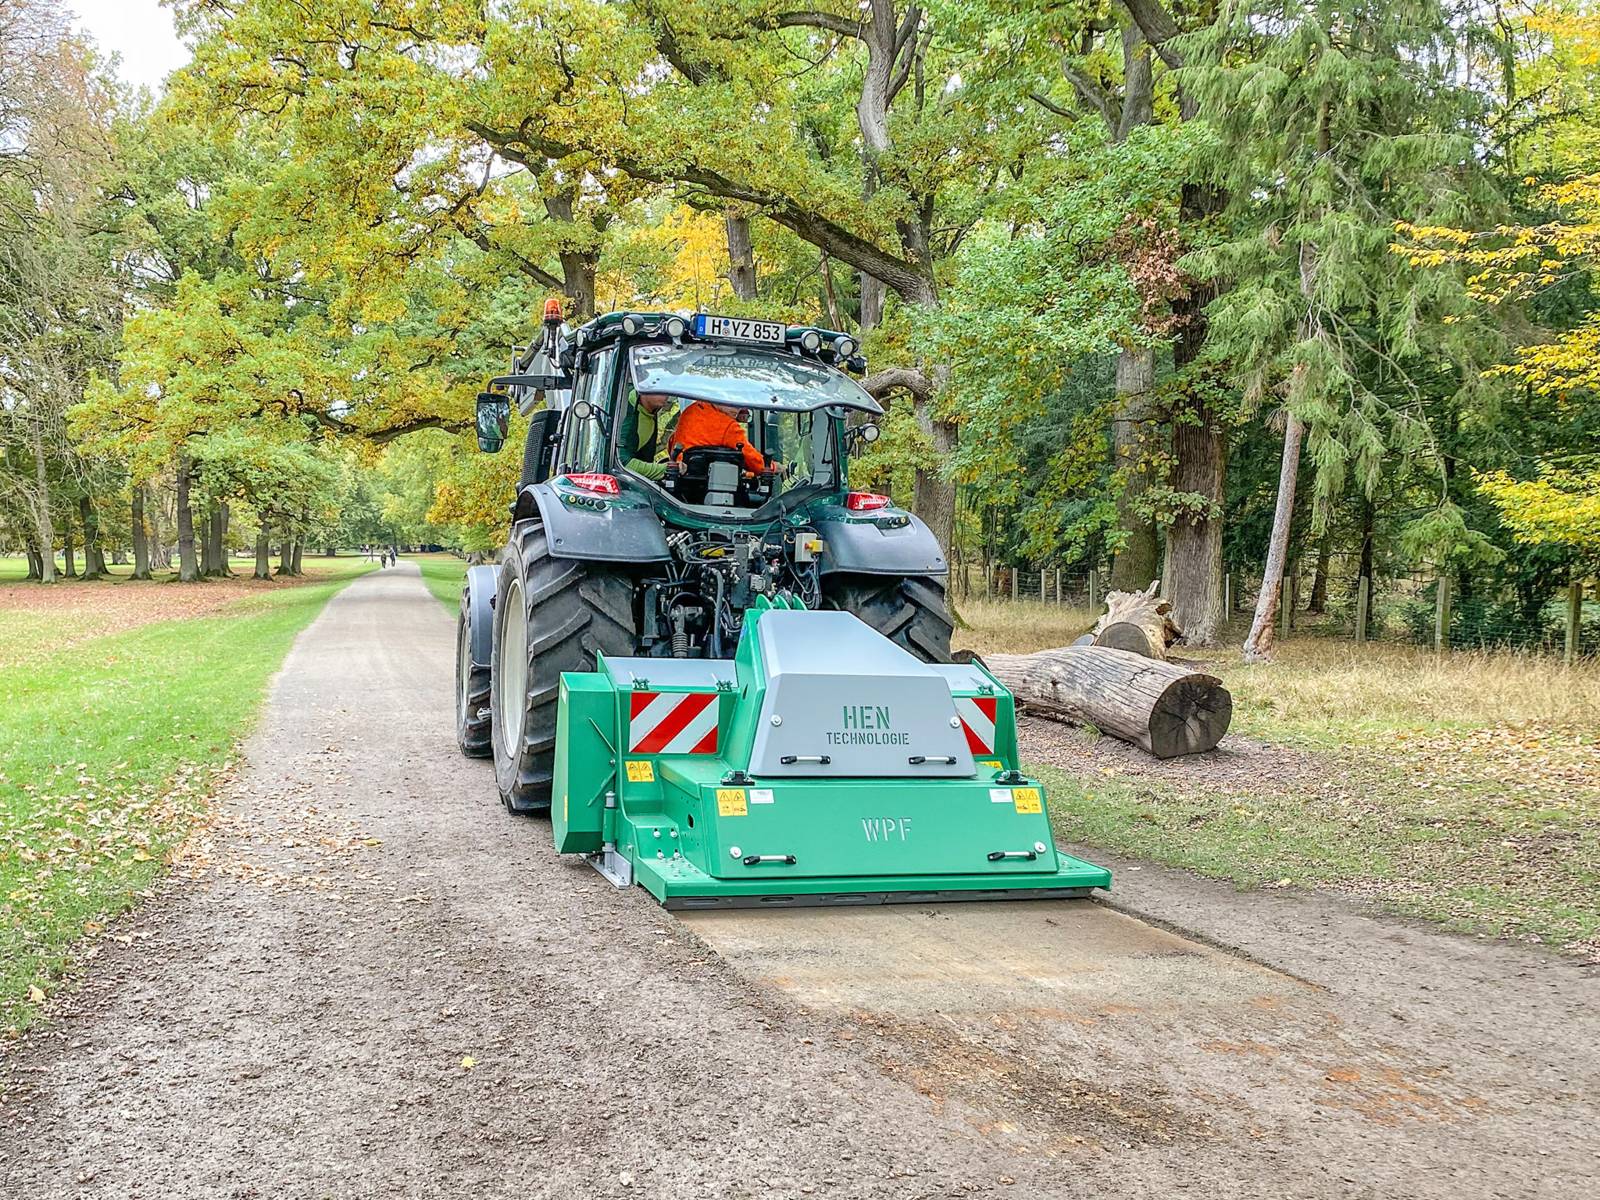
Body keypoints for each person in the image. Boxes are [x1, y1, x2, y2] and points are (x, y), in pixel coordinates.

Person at [668, 398, 774, 475]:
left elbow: (672, 442)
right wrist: (773, 467)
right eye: (732, 401)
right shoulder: (728, 426)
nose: (737, 409)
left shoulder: (690, 411)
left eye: (739, 404)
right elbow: (755, 463)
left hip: (679, 479)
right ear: (718, 397)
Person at [618, 390, 673, 480]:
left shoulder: (650, 412)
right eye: (661, 389)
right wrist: (666, 469)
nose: (667, 395)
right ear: (644, 387)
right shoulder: (627, 415)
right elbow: (623, 463)